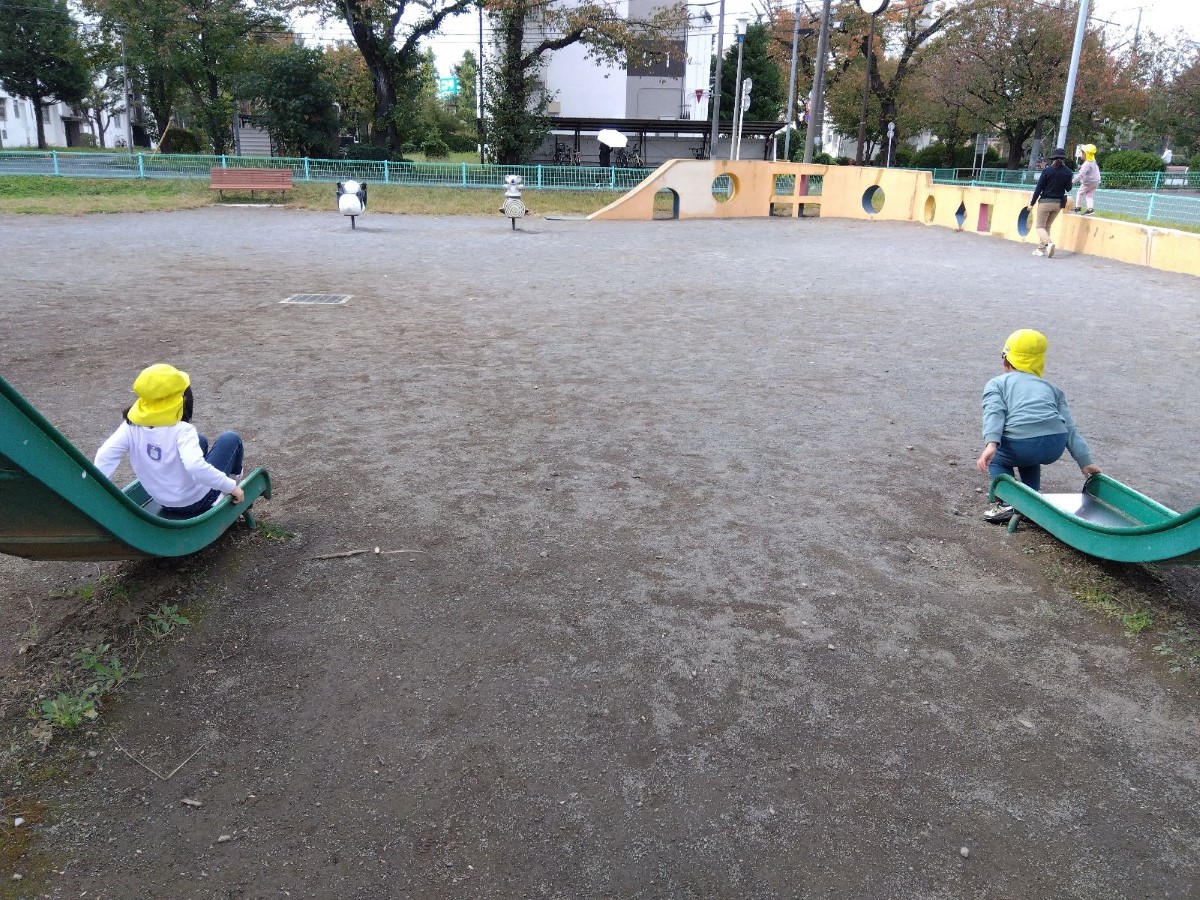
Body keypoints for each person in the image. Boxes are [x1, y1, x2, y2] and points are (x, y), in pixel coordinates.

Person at [976, 329, 1102, 524]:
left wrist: (991, 444)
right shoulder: (1052, 389)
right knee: (1030, 455)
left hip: (1021, 443)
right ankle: (1032, 499)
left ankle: (1009, 503)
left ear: (1006, 360)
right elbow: (1070, 427)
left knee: (997, 459)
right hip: (1054, 443)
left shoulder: (997, 384)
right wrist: (1084, 461)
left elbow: (994, 413)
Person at [94, 364, 245, 519]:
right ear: (182, 398)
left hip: (163, 501)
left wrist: (94, 494)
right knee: (230, 439)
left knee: (199, 439)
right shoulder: (182, 430)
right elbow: (195, 467)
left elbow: (104, 456)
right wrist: (231, 487)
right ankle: (231, 487)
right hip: (198, 500)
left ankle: (216, 483)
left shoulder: (130, 426)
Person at [1027, 147, 1074, 257]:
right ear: (1064, 158)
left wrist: (1032, 203)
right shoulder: (1068, 172)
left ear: (1053, 158)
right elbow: (1068, 188)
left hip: (1045, 202)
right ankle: (1041, 249)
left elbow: (1038, 189)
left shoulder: (1047, 171)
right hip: (1058, 204)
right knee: (1047, 226)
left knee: (1040, 227)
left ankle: (1049, 243)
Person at [1071, 144, 1101, 214]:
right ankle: (1090, 209)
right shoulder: (1093, 161)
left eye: (1081, 153)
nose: (1080, 155)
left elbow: (1080, 175)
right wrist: (1081, 166)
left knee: (1080, 193)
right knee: (1089, 195)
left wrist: (1072, 182)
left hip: (1088, 182)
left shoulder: (1086, 164)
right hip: (1096, 181)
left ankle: (1078, 208)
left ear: (1085, 154)